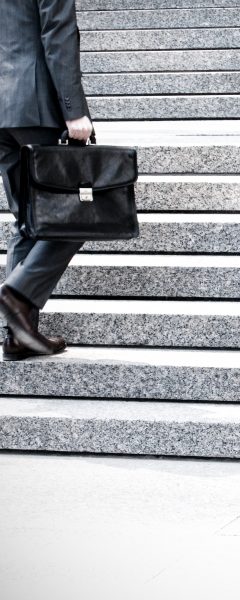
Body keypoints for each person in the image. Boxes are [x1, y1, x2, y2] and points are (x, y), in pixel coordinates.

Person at [0, 0, 93, 361]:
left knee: (28, 220)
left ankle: (20, 335)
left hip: (5, 111)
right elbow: (58, 34)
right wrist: (75, 111)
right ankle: (18, 293)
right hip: (34, 103)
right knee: (74, 215)